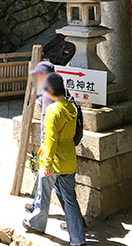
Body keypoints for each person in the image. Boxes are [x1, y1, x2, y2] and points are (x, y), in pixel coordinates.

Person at [22, 72, 85, 246]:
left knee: (43, 193)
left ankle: (36, 224)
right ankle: (78, 240)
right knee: (70, 200)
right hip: (69, 159)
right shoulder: (72, 107)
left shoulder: (53, 110)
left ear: (49, 91)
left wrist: (47, 164)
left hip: (54, 161)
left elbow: (50, 140)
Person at [25, 61, 55, 214]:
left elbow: (47, 121)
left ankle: (37, 220)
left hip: (52, 143)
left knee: (52, 181)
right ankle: (35, 204)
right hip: (61, 143)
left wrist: (44, 142)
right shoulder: (59, 89)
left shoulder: (48, 95)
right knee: (57, 183)